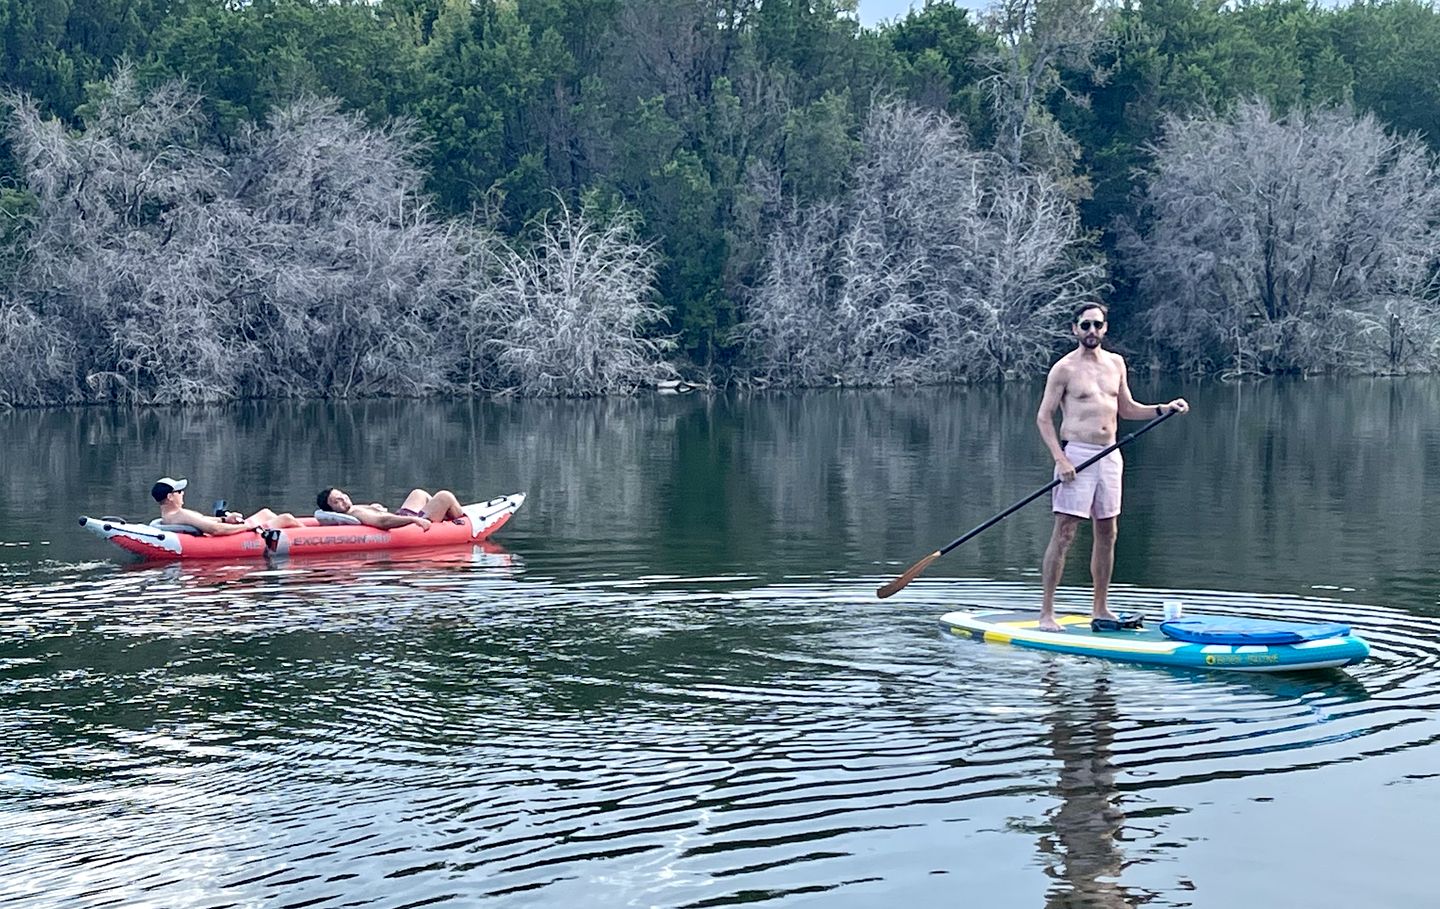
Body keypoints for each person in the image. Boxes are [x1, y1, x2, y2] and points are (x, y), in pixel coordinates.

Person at [1035, 303, 1190, 633]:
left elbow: (1128, 409)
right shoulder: (1064, 369)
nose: (1092, 331)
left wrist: (1164, 408)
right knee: (1064, 534)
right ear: (1074, 329)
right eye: (1085, 325)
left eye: (1098, 325)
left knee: (1108, 532)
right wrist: (1061, 460)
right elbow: (1044, 418)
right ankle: (1047, 613)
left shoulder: (1116, 364)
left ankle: (1100, 609)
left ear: (1105, 329)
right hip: (1076, 456)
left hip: (1110, 455)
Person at [151, 476, 302, 535]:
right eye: (179, 491)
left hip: (232, 530)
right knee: (286, 518)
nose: (183, 493)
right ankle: (318, 537)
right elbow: (215, 530)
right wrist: (248, 526)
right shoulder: (179, 514)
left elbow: (204, 520)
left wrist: (225, 519)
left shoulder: (170, 516)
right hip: (234, 536)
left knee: (266, 513)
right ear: (170, 497)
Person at [316, 487, 464, 531]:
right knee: (445, 496)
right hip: (409, 526)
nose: (344, 499)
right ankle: (461, 519)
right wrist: (414, 519)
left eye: (342, 495)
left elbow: (371, 512)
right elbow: (383, 522)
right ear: (332, 510)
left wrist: (373, 507)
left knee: (418, 493)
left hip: (400, 516)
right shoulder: (355, 513)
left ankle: (442, 512)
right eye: (337, 501)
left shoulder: (350, 509)